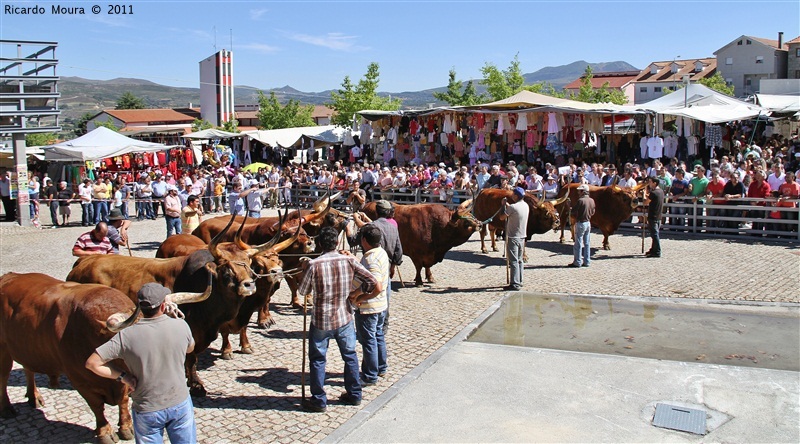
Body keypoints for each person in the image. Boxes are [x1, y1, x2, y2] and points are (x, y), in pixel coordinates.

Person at [85, 283, 196, 443]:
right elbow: (190, 349)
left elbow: (92, 363)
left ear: (140, 307)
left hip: (147, 407)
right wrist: (172, 320)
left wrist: (124, 376)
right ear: (164, 305)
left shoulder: (126, 336)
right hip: (179, 402)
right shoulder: (180, 325)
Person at [297, 227, 379, 413]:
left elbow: (303, 291)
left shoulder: (314, 264)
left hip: (321, 319)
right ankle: (354, 394)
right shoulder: (349, 260)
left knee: (318, 359)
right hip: (344, 316)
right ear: (336, 243)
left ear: (319, 244)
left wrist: (304, 270)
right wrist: (357, 295)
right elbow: (372, 281)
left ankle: (319, 400)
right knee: (350, 355)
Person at [350, 224, 389, 386]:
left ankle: (369, 375)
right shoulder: (381, 252)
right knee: (378, 335)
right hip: (381, 306)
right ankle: (381, 367)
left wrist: (360, 295)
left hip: (369, 308)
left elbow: (376, 284)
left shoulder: (370, 258)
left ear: (364, 240)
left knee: (369, 341)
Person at [502, 187, 529, 291]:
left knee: (513, 261)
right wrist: (508, 206)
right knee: (519, 260)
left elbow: (502, 217)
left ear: (516, 196)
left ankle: (514, 283)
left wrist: (503, 206)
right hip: (522, 236)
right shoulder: (525, 205)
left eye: (513, 194)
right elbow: (514, 211)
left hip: (513, 236)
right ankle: (520, 280)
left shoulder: (513, 207)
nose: (512, 195)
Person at [568, 184, 595, 268]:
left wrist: (569, 206)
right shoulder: (592, 200)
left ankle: (577, 261)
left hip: (580, 223)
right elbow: (593, 212)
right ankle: (587, 261)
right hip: (588, 222)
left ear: (583, 192)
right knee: (587, 243)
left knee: (578, 243)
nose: (578, 192)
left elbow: (573, 211)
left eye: (579, 191)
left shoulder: (581, 201)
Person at [644, 176, 665, 258]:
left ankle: (657, 251)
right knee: (654, 234)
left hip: (653, 215)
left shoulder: (654, 193)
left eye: (650, 182)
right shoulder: (661, 191)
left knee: (654, 234)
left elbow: (646, 202)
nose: (649, 184)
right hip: (659, 215)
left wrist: (644, 196)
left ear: (654, 183)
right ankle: (653, 249)